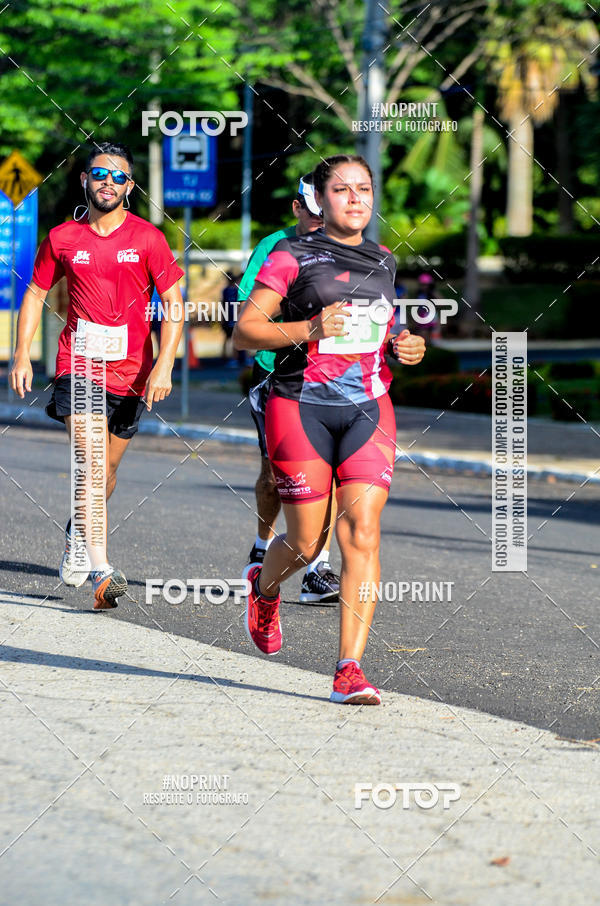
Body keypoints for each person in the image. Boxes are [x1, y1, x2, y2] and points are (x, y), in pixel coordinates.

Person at [233, 154, 425, 704]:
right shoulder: (289, 256)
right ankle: (264, 588)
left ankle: (349, 669)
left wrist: (405, 346)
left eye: (364, 188)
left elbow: (389, 330)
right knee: (305, 540)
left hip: (368, 405)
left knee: (362, 531)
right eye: (342, 190)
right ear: (320, 199)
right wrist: (309, 328)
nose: (356, 199)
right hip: (299, 405)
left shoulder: (384, 260)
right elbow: (246, 332)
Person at [10, 141, 184, 609]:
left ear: (130, 186)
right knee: (88, 461)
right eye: (99, 174)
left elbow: (174, 305)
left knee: (105, 472)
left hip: (133, 372)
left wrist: (165, 362)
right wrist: (22, 354)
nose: (108, 182)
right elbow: (35, 293)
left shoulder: (148, 238)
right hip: (78, 364)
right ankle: (102, 572)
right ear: (85, 180)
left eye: (119, 176)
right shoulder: (63, 237)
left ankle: (77, 533)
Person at [238, 174, 340, 605]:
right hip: (278, 375)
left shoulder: (348, 248)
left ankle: (318, 568)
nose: (321, 222)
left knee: (328, 475)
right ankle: (263, 547)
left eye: (327, 214)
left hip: (333, 380)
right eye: (314, 214)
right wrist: (301, 332)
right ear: (298, 209)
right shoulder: (274, 249)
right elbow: (250, 319)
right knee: (276, 475)